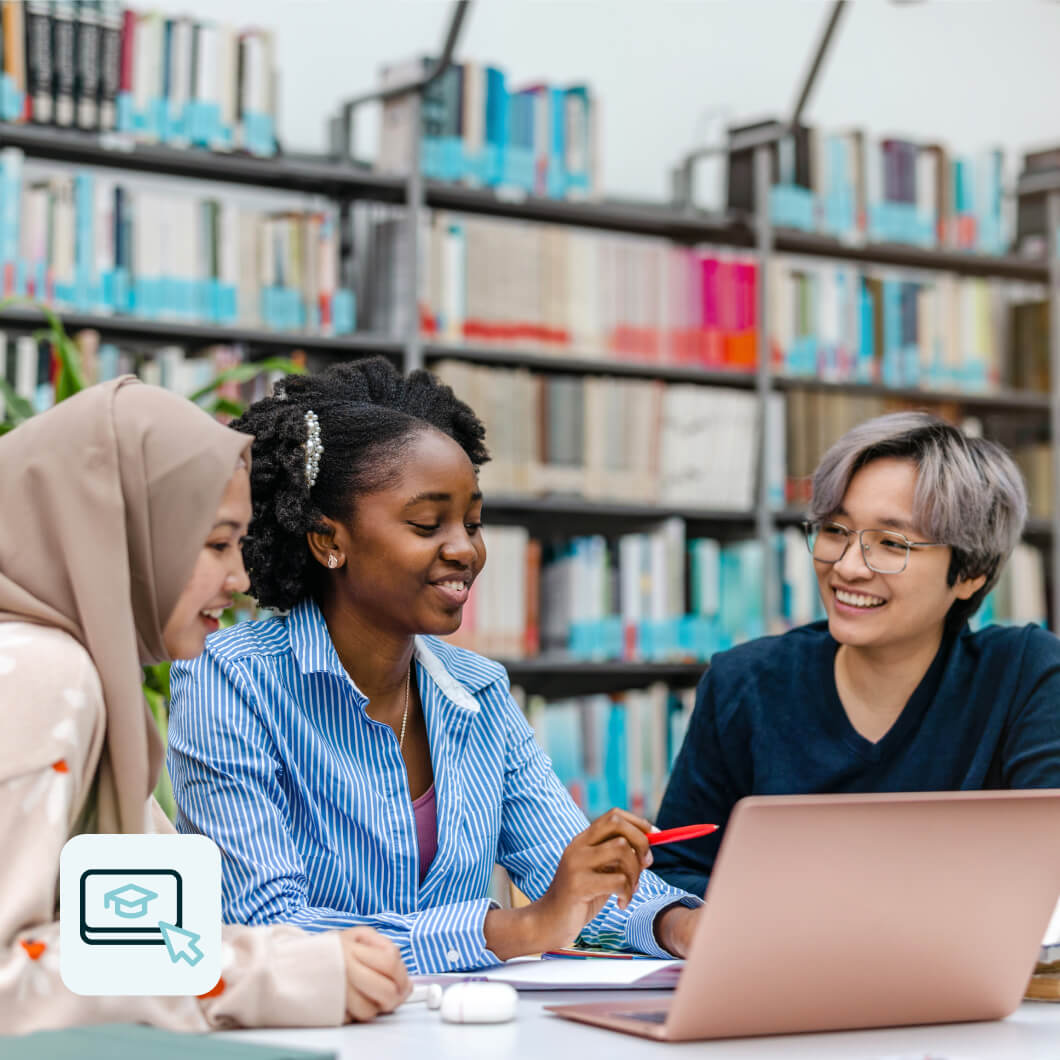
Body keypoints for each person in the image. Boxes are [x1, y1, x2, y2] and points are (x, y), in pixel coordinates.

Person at [168, 357, 701, 972]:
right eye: (427, 524)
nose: (464, 549)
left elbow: (569, 874)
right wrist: (516, 928)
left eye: (473, 524)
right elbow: (264, 926)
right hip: (319, 1019)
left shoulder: (480, 691)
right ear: (329, 540)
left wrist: (679, 925)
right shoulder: (230, 679)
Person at [0, 377, 409, 1035]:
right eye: (217, 544)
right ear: (120, 534)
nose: (239, 579)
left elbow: (157, 925)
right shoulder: (42, 672)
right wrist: (273, 975)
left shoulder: (83, 678)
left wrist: (302, 957)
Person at [651, 411, 1060, 896]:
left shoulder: (1025, 674)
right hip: (782, 947)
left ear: (971, 572)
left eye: (890, 543)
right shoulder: (742, 682)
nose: (847, 567)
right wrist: (685, 922)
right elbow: (674, 869)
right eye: (835, 530)